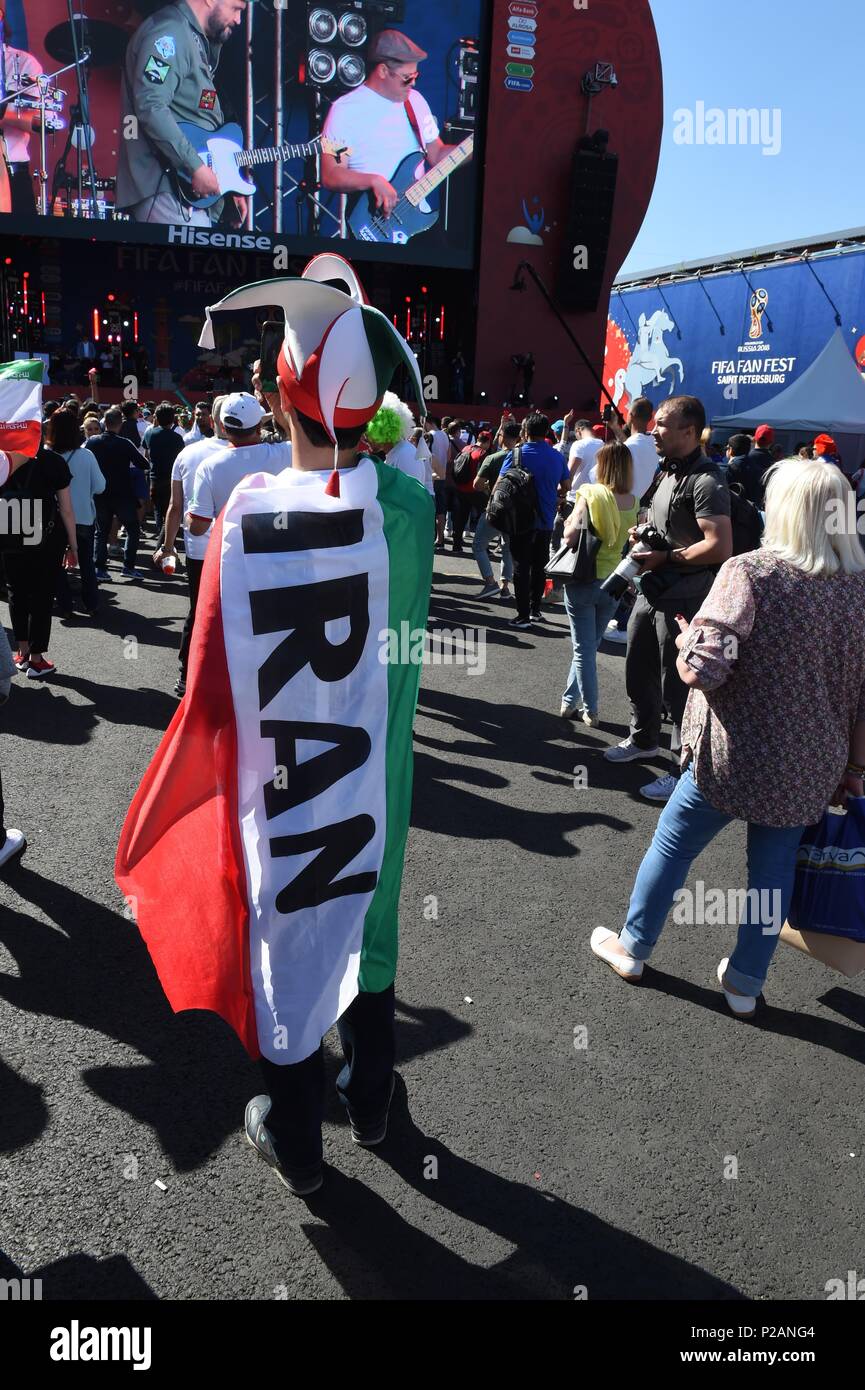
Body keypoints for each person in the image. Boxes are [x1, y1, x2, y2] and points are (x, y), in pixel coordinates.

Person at [117, 254, 433, 1197]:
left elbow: (205, 685)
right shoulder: (409, 510)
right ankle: (372, 1104)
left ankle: (296, 1142)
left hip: (285, 781)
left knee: (288, 936)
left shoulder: (242, 524)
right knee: (370, 930)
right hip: (379, 780)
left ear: (282, 399)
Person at [590, 459, 865, 1016]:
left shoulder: (753, 573)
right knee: (771, 874)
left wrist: (688, 639)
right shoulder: (857, 589)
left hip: (732, 752)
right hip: (811, 763)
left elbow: (703, 671)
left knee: (673, 845)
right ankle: (744, 983)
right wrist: (855, 770)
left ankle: (634, 947)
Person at [604, 395, 732, 803]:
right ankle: (643, 738)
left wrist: (667, 557)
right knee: (637, 667)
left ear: (689, 431)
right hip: (650, 591)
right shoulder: (665, 471)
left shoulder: (707, 480)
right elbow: (651, 517)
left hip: (685, 599)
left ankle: (683, 768)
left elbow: (719, 545)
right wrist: (640, 535)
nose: (652, 430)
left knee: (678, 685)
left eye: (662, 425)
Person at [116, 0, 249, 228]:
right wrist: (195, 166)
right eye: (235, 8)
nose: (238, 19)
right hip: (165, 187)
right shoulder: (169, 33)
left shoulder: (190, 36)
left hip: (182, 192)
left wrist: (226, 181)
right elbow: (150, 104)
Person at [320, 29, 470, 222]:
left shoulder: (415, 102)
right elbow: (331, 174)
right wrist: (373, 181)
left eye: (416, 75)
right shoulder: (344, 111)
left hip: (417, 219)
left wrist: (476, 145)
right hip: (373, 222)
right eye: (407, 77)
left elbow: (437, 154)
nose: (413, 83)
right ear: (383, 71)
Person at [560, 443, 637, 726]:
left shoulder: (589, 495)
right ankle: (569, 702)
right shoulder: (634, 501)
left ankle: (590, 708)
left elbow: (570, 536)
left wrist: (570, 520)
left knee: (583, 648)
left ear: (602, 466)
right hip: (614, 582)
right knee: (589, 646)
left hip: (584, 578)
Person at [155, 396, 227, 696]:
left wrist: (167, 546)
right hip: (242, 548)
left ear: (212, 419)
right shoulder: (263, 452)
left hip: (199, 548)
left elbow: (175, 505)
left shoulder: (188, 453)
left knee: (198, 611)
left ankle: (186, 674)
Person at [0, 439, 77, 679]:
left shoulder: (4, 460)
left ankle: (22, 651)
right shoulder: (53, 461)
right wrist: (73, 546)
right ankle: (36, 659)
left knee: (16, 591)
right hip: (46, 536)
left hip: (8, 532)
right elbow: (66, 507)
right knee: (42, 594)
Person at [495, 411, 569, 629]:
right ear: (546, 432)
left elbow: (501, 484)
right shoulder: (557, 456)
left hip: (520, 520)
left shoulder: (516, 454)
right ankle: (536, 610)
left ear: (525, 432)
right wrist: (554, 495)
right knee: (539, 566)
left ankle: (523, 615)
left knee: (520, 566)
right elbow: (566, 486)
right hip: (545, 519)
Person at [186, 391, 291, 543]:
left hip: (234, 555)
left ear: (222, 426)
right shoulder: (287, 452)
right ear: (259, 426)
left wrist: (189, 511)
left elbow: (197, 528)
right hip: (280, 550)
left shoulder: (208, 468)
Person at [47, 408, 106, 620]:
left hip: (55, 519)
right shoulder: (86, 455)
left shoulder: (47, 454)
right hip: (83, 517)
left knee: (56, 564)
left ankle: (65, 605)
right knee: (86, 562)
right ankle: (91, 604)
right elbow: (100, 486)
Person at [87, 405, 146, 580]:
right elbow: (143, 463)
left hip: (100, 492)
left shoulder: (93, 442)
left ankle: (100, 569)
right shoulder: (125, 443)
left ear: (105, 423)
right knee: (132, 529)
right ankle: (128, 566)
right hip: (123, 494)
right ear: (120, 424)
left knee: (101, 531)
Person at [0, 5, 43, 216]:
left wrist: (3, 113)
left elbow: (42, 121)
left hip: (13, 171)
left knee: (17, 245)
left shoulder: (24, 63)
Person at [472, 420, 518, 600]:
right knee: (507, 548)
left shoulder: (493, 458)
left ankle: (490, 582)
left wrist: (488, 490)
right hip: (516, 511)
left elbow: (477, 484)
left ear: (502, 437)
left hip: (495, 508)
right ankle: (505, 586)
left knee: (478, 545)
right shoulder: (523, 456)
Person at [365, 393, 428, 490]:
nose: (365, 438)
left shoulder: (406, 455)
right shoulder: (397, 453)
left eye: (368, 432)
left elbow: (411, 496)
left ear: (383, 430)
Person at [143, 403, 186, 535]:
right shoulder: (178, 438)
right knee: (172, 508)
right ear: (173, 419)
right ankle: (167, 538)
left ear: (156, 417)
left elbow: (147, 454)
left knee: (158, 508)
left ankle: (160, 534)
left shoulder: (150, 434)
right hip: (172, 479)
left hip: (155, 477)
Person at [450, 429, 491, 552]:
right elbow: (483, 474)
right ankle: (484, 546)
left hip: (460, 488)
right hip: (474, 490)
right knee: (486, 515)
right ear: (487, 442)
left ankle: (456, 545)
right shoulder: (483, 453)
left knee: (460, 516)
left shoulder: (466, 448)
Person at [728, 423, 774, 508]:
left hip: (735, 507)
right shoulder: (774, 463)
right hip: (760, 509)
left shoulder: (742, 460)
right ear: (771, 442)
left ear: (755, 438)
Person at [566, 420, 603, 501]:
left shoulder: (578, 444)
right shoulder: (603, 445)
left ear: (578, 430)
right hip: (596, 499)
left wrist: (562, 494)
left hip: (576, 497)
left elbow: (569, 473)